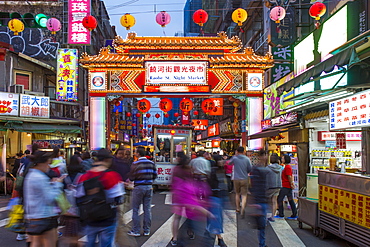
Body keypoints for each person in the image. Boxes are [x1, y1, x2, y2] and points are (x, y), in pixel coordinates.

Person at [76, 148, 124, 247]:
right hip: (107, 218)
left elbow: (78, 197)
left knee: (90, 243)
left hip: (90, 218)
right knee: (106, 244)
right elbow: (118, 199)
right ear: (108, 160)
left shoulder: (84, 176)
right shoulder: (112, 176)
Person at [170, 152, 213, 247]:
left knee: (177, 218)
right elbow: (193, 182)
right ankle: (190, 232)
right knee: (190, 215)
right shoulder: (189, 170)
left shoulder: (176, 169)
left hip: (178, 196)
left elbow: (172, 183)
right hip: (188, 195)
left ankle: (175, 238)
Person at [23, 151, 65, 247]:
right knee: (50, 243)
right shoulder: (40, 177)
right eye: (48, 163)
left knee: (36, 243)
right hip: (45, 216)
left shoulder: (30, 175)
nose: (49, 166)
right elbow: (50, 198)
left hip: (33, 216)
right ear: (41, 163)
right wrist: (57, 184)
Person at [128, 146, 157, 237]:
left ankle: (136, 230)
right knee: (147, 209)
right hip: (149, 187)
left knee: (136, 209)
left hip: (138, 187)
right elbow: (155, 175)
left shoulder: (135, 164)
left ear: (138, 154)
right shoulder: (151, 163)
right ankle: (146, 230)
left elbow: (132, 177)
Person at [249, 149, 269, 247]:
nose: (266, 157)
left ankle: (262, 243)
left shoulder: (264, 168)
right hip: (260, 200)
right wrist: (255, 202)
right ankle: (262, 244)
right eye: (265, 155)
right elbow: (255, 185)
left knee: (262, 225)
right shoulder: (257, 169)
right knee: (261, 225)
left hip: (263, 199)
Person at [229, 146, 252, 218]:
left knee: (237, 194)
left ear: (237, 151)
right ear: (243, 151)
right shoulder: (247, 159)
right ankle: (243, 208)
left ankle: (237, 208)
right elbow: (250, 168)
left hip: (236, 178)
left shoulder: (235, 158)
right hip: (244, 178)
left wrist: (235, 155)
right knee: (244, 195)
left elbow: (229, 163)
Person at [276, 154, 297, 220]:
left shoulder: (287, 167)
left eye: (282, 158)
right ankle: (294, 214)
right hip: (287, 186)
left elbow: (289, 176)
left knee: (280, 199)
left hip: (285, 186)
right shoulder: (287, 167)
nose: (282, 159)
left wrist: (291, 184)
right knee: (290, 200)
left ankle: (281, 214)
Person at [266, 153, 282, 222]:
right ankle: (273, 216)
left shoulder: (268, 168)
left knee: (265, 201)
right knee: (274, 201)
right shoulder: (281, 168)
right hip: (278, 186)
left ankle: (264, 215)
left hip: (269, 186)